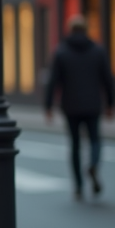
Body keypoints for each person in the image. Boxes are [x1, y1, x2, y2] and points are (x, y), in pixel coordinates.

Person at [45, 15, 115, 200]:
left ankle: (78, 186)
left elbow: (53, 82)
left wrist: (48, 106)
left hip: (71, 105)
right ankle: (92, 164)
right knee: (95, 140)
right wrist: (110, 103)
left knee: (75, 145)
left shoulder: (61, 51)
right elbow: (108, 79)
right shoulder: (98, 51)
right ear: (86, 30)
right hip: (93, 104)